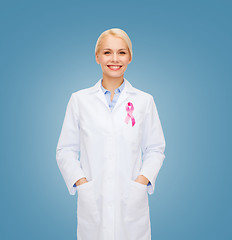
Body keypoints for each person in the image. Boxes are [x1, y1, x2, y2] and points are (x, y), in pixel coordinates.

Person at [56, 28, 166, 240]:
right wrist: (81, 183)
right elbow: (66, 149)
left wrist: (141, 182)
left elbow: (155, 149)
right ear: (97, 57)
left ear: (130, 57)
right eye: (107, 52)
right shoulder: (79, 100)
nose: (114, 59)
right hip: (93, 200)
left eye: (121, 52)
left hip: (131, 200)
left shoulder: (145, 101)